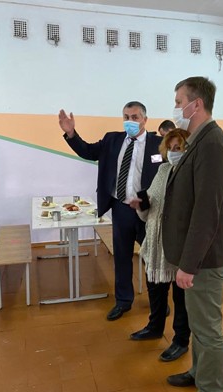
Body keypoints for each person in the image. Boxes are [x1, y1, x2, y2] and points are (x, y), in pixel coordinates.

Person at [162, 77, 223, 392]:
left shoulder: (212, 145)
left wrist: (189, 265)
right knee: (198, 322)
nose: (176, 108)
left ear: (196, 104)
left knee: (207, 328)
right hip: (197, 254)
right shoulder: (199, 140)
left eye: (179, 102)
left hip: (206, 258)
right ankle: (199, 372)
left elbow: (207, 212)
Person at [58, 102, 163, 321]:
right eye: (126, 117)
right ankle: (123, 301)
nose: (130, 121)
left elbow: (167, 175)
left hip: (149, 210)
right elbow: (88, 151)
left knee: (152, 258)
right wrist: (71, 134)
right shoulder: (112, 139)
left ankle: (158, 302)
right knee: (122, 256)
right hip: (121, 207)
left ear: (145, 119)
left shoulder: (158, 144)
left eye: (135, 117)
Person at [129, 128, 191, 362]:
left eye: (179, 148)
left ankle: (181, 340)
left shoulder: (192, 174)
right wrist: (141, 204)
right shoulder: (163, 170)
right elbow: (151, 206)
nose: (174, 152)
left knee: (181, 298)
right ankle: (154, 327)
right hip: (155, 243)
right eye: (171, 148)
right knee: (155, 289)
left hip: (177, 245)